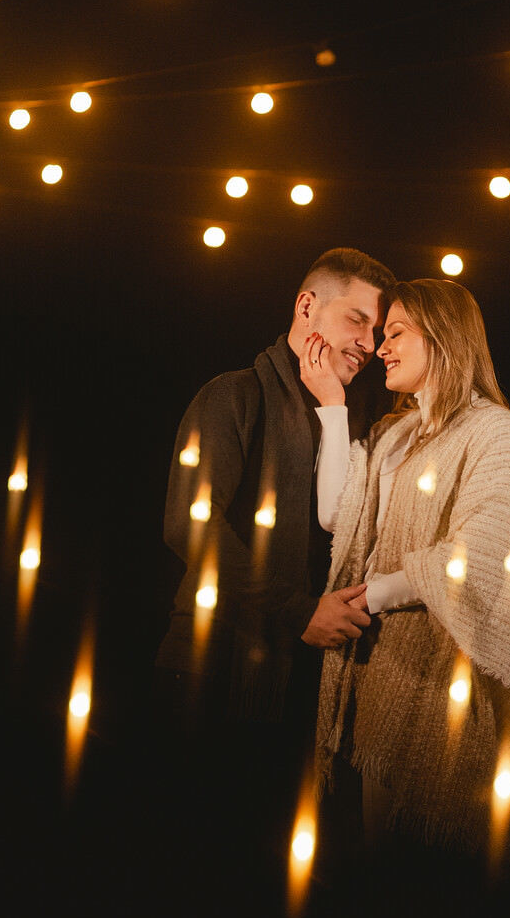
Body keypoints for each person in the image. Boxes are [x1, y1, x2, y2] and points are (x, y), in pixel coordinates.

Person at [300, 278, 510, 883]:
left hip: (445, 680)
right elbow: (337, 515)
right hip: (379, 675)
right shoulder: (393, 435)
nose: (381, 347)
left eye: (396, 333)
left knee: (437, 877)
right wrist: (332, 405)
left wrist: (371, 596)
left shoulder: (494, 432)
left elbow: (483, 554)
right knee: (378, 874)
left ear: (443, 335)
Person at [155, 247, 395, 737]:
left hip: (307, 672)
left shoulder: (355, 419)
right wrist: (301, 612)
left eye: (376, 330)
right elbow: (189, 524)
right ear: (306, 307)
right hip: (210, 664)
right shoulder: (233, 395)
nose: (369, 343)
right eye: (357, 320)